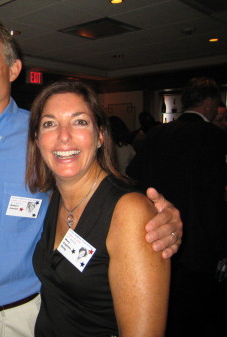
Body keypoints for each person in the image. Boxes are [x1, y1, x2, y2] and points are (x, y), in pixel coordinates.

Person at [0, 14, 182, 337]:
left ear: (14, 69)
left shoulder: (44, 137)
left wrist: (158, 220)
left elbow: (102, 195)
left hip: (21, 318)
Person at [27, 80, 170, 337]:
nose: (63, 136)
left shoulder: (129, 212)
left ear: (101, 135)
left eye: (79, 121)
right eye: (49, 123)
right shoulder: (54, 199)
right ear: (37, 139)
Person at [126, 77, 227, 337]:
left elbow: (132, 172)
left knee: (167, 314)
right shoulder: (214, 138)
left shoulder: (159, 133)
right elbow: (213, 200)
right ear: (209, 103)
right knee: (199, 318)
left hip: (156, 238)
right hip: (198, 243)